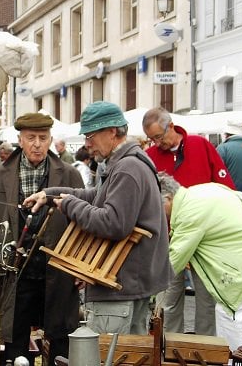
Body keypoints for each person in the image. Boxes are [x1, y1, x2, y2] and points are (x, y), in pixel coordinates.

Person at [23, 101, 173, 337]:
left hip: (119, 287)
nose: (87, 144)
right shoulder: (127, 163)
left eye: (91, 136)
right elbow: (96, 196)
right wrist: (50, 195)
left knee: (105, 358)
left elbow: (113, 223)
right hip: (127, 285)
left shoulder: (127, 168)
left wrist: (70, 205)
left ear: (112, 132)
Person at [0, 112, 84, 365]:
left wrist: (81, 266)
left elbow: (83, 225)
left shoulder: (70, 174)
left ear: (50, 140)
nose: (37, 144)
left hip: (58, 267)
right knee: (15, 333)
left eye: (43, 137)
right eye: (31, 138)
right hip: (15, 269)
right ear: (20, 140)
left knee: (60, 334)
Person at [142, 106, 236, 336]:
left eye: (158, 136)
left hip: (206, 239)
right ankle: (169, 348)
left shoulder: (200, 146)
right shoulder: (151, 157)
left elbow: (226, 189)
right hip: (169, 239)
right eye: (151, 138)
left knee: (206, 299)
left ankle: (204, 350)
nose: (156, 143)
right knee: (169, 298)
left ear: (171, 126)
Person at [157, 172, 242, 350]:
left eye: (156, 205)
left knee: (229, 311)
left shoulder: (189, 210)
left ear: (167, 198)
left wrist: (149, 291)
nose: (156, 211)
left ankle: (235, 359)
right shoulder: (196, 193)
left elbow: (174, 260)